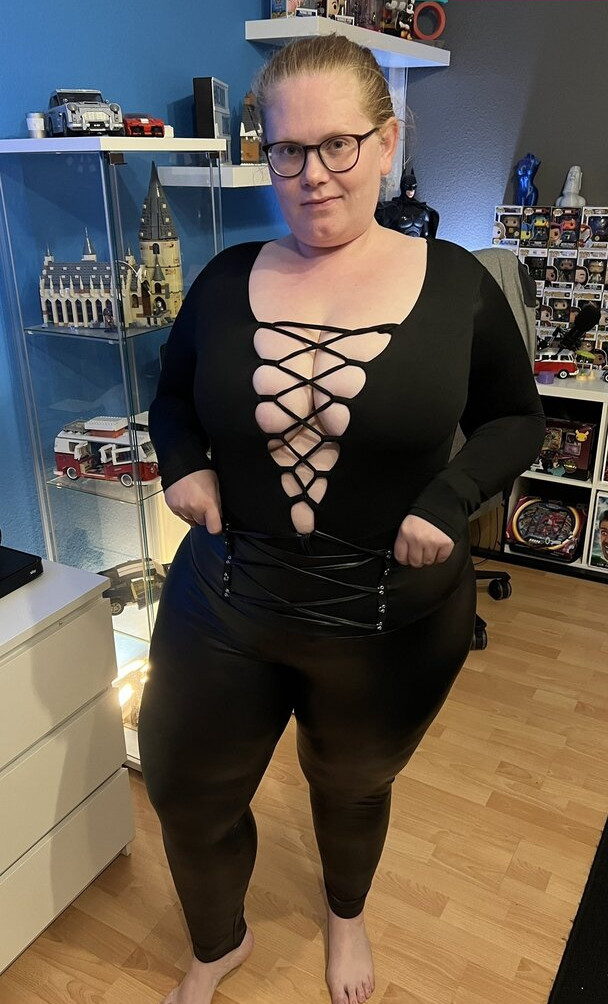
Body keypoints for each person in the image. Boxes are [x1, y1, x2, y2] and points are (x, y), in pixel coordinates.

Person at [138, 34, 546, 1004]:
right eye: (289, 149)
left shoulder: (457, 287)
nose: (313, 173)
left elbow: (516, 419)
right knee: (185, 788)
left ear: (386, 140)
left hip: (388, 618)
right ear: (267, 152)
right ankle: (217, 943)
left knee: (352, 783)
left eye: (338, 144)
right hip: (223, 601)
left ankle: (345, 912)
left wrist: (450, 498)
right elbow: (173, 396)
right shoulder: (224, 280)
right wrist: (182, 463)